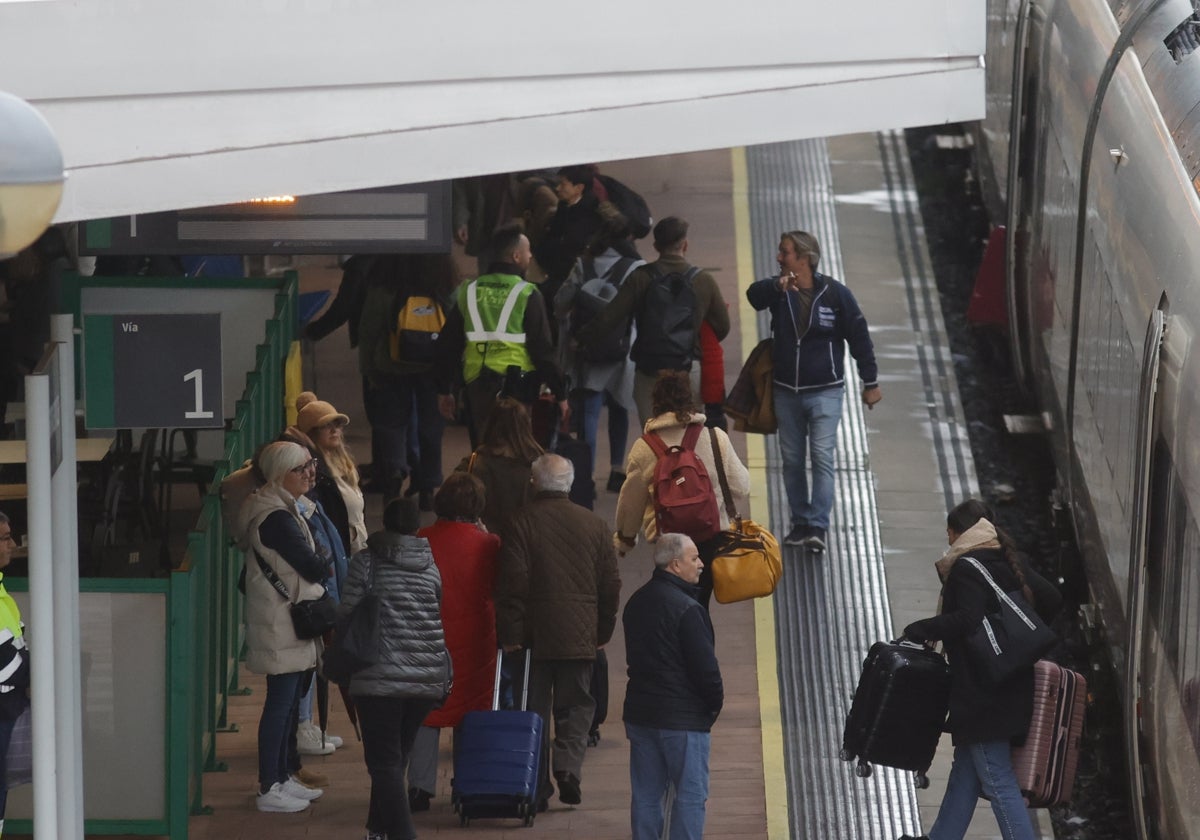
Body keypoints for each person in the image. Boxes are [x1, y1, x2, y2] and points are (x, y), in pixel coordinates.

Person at [899, 500, 1063, 840]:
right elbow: (1051, 598)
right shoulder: (1005, 557)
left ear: (960, 532)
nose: (947, 538)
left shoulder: (966, 567)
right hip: (1008, 682)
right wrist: (1016, 646)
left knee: (997, 778)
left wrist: (922, 628)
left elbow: (967, 619)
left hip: (983, 692)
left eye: (949, 531)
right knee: (966, 771)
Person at [495, 453, 621, 809]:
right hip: (580, 634)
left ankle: (535, 788)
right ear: (569, 484)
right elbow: (610, 583)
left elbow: (513, 583)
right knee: (578, 706)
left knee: (533, 710)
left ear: (534, 483)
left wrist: (511, 632)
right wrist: (603, 629)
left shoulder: (518, 522)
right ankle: (568, 768)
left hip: (534, 636)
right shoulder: (595, 525)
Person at [746, 230, 882, 552]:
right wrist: (775, 287)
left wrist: (870, 381)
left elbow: (859, 337)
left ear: (804, 259)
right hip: (786, 391)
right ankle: (800, 523)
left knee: (821, 456)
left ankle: (818, 526)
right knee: (792, 459)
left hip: (825, 392)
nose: (779, 258)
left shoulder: (836, 294)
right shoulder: (779, 291)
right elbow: (754, 296)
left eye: (785, 253)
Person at [342, 495, 452, 840]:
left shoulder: (366, 563)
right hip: (425, 676)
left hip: (378, 678)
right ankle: (378, 829)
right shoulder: (430, 564)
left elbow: (347, 615)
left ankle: (403, 834)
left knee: (384, 761)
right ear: (416, 528)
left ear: (384, 524)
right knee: (396, 757)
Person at [233, 441, 331, 813]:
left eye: (311, 464)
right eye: (300, 468)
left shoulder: (282, 508)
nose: (310, 473)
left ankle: (283, 774)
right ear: (279, 475)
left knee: (288, 704)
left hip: (285, 621)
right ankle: (269, 785)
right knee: (279, 704)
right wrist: (322, 559)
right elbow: (314, 565)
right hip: (281, 623)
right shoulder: (275, 517)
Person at [576, 216, 730, 427]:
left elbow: (608, 318)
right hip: (688, 368)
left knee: (654, 440)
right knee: (689, 438)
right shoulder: (703, 280)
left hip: (649, 370)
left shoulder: (641, 277)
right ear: (685, 245)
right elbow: (722, 327)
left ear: (656, 246)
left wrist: (581, 339)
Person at [614, 371, 748, 609]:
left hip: (669, 543)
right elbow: (742, 486)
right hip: (709, 538)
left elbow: (630, 502)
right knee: (700, 606)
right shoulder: (715, 438)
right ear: (690, 400)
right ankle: (701, 643)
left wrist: (625, 539)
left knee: (673, 607)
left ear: (655, 404)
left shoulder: (644, 448)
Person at [408, 472, 500, 812]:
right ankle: (467, 783)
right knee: (471, 709)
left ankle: (419, 786)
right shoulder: (488, 544)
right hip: (475, 637)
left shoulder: (421, 538)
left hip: (429, 634)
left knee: (425, 709)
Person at [622, 533, 723, 840]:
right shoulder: (688, 609)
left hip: (641, 716)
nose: (702, 564)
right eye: (694, 558)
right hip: (683, 721)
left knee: (646, 795)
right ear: (676, 565)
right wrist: (712, 707)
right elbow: (706, 671)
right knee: (690, 796)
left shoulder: (636, 602)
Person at [435, 223, 567, 445]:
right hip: (518, 385)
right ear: (516, 256)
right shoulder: (527, 293)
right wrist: (560, 392)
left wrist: (445, 390)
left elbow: (448, 344)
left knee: (482, 448)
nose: (531, 255)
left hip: (477, 383)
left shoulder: (469, 291)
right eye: (528, 251)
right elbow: (542, 349)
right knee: (515, 448)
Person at [554, 206, 642, 492]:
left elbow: (560, 303)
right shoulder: (635, 268)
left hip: (588, 349)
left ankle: (586, 477)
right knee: (620, 408)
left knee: (589, 412)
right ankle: (617, 469)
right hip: (623, 350)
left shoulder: (583, 264)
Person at [454, 396, 544, 537]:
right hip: (525, 542)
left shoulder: (470, 465)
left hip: (481, 541)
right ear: (525, 425)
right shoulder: (540, 467)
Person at [534, 164, 605, 322]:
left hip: (577, 278)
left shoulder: (591, 213)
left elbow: (572, 245)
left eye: (563, 184)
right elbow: (555, 236)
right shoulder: (565, 206)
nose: (558, 188)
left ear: (578, 188)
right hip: (558, 272)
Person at [296, 399, 367, 555]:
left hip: (356, 550)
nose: (334, 430)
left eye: (337, 425)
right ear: (311, 433)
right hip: (339, 552)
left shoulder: (343, 464)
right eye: (326, 426)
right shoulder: (315, 473)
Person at [0, 512, 29, 836]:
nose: (13, 545)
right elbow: (5, 664)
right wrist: (31, 671)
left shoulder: (2, 591)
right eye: (5, 537)